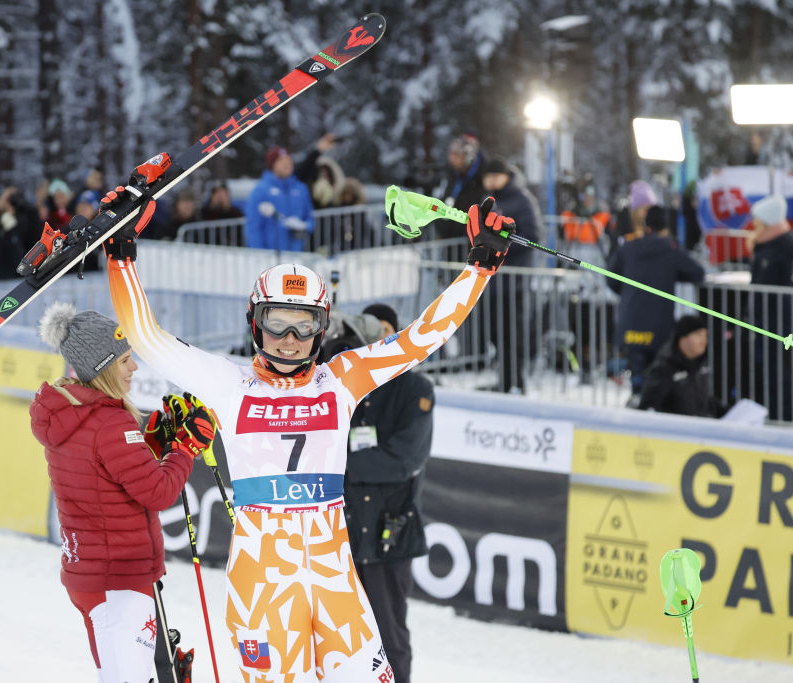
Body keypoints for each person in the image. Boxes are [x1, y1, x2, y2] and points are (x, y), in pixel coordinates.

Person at [105, 196, 516, 681]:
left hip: (334, 578)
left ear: (323, 328)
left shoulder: (340, 378)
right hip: (264, 585)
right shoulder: (229, 383)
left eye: (304, 324)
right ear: (255, 322)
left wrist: (479, 270)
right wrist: (120, 256)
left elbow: (418, 340)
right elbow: (146, 336)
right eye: (277, 322)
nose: (289, 339)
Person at [30, 301, 210, 683]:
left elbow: (105, 472)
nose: (134, 368)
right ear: (104, 366)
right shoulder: (109, 422)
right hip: (119, 582)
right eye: (125, 360)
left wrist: (154, 445)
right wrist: (183, 448)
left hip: (93, 576)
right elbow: (158, 492)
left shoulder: (70, 411)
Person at [339, 303, 434, 683]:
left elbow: (404, 459)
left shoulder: (415, 389)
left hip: (390, 534)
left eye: (384, 331)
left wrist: (343, 463)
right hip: (344, 533)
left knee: (389, 636)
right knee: (341, 636)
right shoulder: (347, 382)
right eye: (368, 332)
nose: (376, 339)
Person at [607, 204, 704, 400]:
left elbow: (610, 278)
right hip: (658, 325)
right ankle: (650, 403)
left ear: (646, 226)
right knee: (656, 370)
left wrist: (626, 293)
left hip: (630, 321)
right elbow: (697, 272)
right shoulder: (670, 249)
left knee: (637, 369)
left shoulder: (629, 248)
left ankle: (638, 396)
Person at [479, 158, 545, 393]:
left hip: (514, 281)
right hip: (491, 279)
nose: (491, 181)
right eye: (488, 177)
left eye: (495, 176)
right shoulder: (489, 200)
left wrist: (501, 245)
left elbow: (533, 236)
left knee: (512, 333)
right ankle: (505, 380)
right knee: (496, 332)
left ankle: (515, 381)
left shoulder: (522, 199)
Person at [746, 194, 793, 421]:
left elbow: (763, 284)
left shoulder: (774, 248)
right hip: (773, 315)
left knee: (777, 365)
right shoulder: (772, 244)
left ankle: (782, 410)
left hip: (773, 317)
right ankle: (781, 408)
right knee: (776, 363)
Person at [638, 315, 726, 418]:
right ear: (683, 338)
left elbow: (704, 402)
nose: (704, 341)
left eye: (705, 335)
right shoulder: (664, 369)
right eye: (698, 335)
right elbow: (647, 408)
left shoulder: (700, 366)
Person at [243, 146, 314, 251]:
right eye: (281, 160)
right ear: (272, 165)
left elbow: (310, 218)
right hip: (271, 257)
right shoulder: (261, 190)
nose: (287, 163)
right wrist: (259, 254)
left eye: (288, 159)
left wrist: (304, 227)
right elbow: (253, 226)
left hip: (296, 254)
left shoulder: (301, 188)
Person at [433, 133, 487, 246]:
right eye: (451, 154)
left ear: (467, 156)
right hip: (450, 243)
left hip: (469, 244)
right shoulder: (452, 176)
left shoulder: (482, 179)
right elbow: (445, 202)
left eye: (456, 155)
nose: (451, 158)